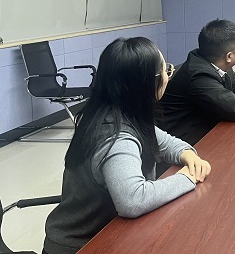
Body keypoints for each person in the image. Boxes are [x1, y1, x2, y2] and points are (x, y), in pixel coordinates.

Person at [43, 37, 211, 254]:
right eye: (166, 70)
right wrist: (186, 178)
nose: (168, 76)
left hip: (107, 234)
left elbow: (165, 142)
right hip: (83, 246)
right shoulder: (117, 138)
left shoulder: (115, 111)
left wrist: (188, 155)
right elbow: (132, 200)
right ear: (146, 84)